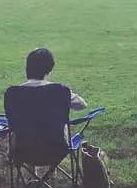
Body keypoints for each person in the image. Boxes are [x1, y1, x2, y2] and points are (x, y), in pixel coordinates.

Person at [21, 47, 87, 177]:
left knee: (28, 128)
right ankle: (51, 172)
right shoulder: (60, 91)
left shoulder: (15, 93)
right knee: (52, 129)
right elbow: (82, 105)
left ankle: (32, 176)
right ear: (49, 69)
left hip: (23, 148)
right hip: (57, 148)